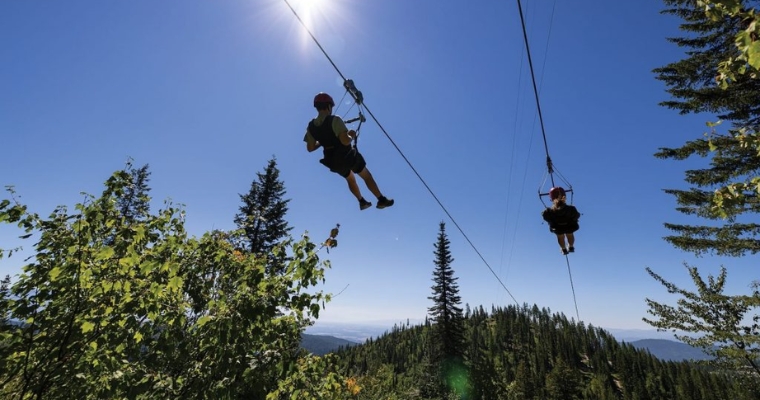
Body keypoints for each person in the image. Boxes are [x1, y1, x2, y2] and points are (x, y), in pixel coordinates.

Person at [304, 92, 394, 210]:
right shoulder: (335, 120)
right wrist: (351, 134)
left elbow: (310, 148)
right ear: (329, 106)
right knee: (366, 175)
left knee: (350, 179)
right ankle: (381, 200)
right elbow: (345, 141)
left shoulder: (311, 126)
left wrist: (321, 141)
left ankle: (361, 202)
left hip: (332, 161)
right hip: (346, 155)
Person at [541, 186, 580, 255]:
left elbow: (545, 217)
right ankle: (571, 247)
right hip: (570, 226)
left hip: (557, 228)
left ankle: (563, 249)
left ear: (551, 199)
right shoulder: (571, 209)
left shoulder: (549, 212)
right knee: (570, 234)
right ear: (564, 196)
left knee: (560, 236)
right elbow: (577, 215)